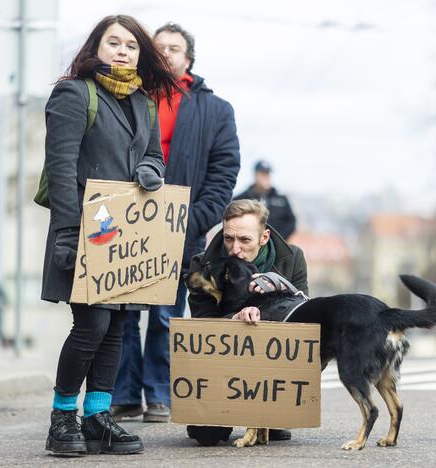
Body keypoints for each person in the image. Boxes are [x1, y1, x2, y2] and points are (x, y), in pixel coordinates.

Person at [40, 15, 179, 456]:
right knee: (92, 324)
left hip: (129, 237)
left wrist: (150, 172)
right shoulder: (73, 94)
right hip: (84, 232)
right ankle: (63, 417)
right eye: (113, 42)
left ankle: (97, 418)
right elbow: (61, 170)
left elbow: (155, 157)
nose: (122, 51)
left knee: (118, 325)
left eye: (131, 45)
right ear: (95, 48)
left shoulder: (144, 102)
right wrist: (66, 234)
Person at [112, 22, 240, 423]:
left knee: (166, 316)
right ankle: (126, 395)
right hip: (128, 225)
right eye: (159, 46)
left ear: (189, 59)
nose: (166, 52)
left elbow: (224, 172)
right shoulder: (128, 96)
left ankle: (159, 393)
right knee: (125, 314)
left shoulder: (215, 109)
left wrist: (195, 219)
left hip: (182, 227)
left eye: (175, 47)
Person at [186, 199, 308, 445]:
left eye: (244, 240)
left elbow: (303, 320)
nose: (234, 249)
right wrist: (236, 319)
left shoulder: (292, 258)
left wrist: (281, 291)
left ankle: (268, 412)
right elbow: (202, 323)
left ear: (264, 237)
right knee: (207, 436)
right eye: (229, 238)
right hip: (223, 358)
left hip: (271, 356)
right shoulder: (203, 264)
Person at [234, 160, 296, 240]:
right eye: (263, 174)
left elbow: (291, 222)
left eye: (268, 174)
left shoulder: (282, 199)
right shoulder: (241, 199)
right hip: (249, 243)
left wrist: (278, 239)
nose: (266, 177)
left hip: (279, 244)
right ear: (256, 175)